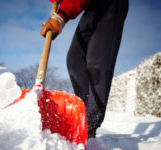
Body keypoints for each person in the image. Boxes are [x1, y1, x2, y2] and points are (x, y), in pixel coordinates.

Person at [41, 0, 128, 138]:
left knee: (96, 61)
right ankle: (83, 113)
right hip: (91, 6)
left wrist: (60, 16)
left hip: (110, 4)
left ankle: (90, 122)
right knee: (74, 60)